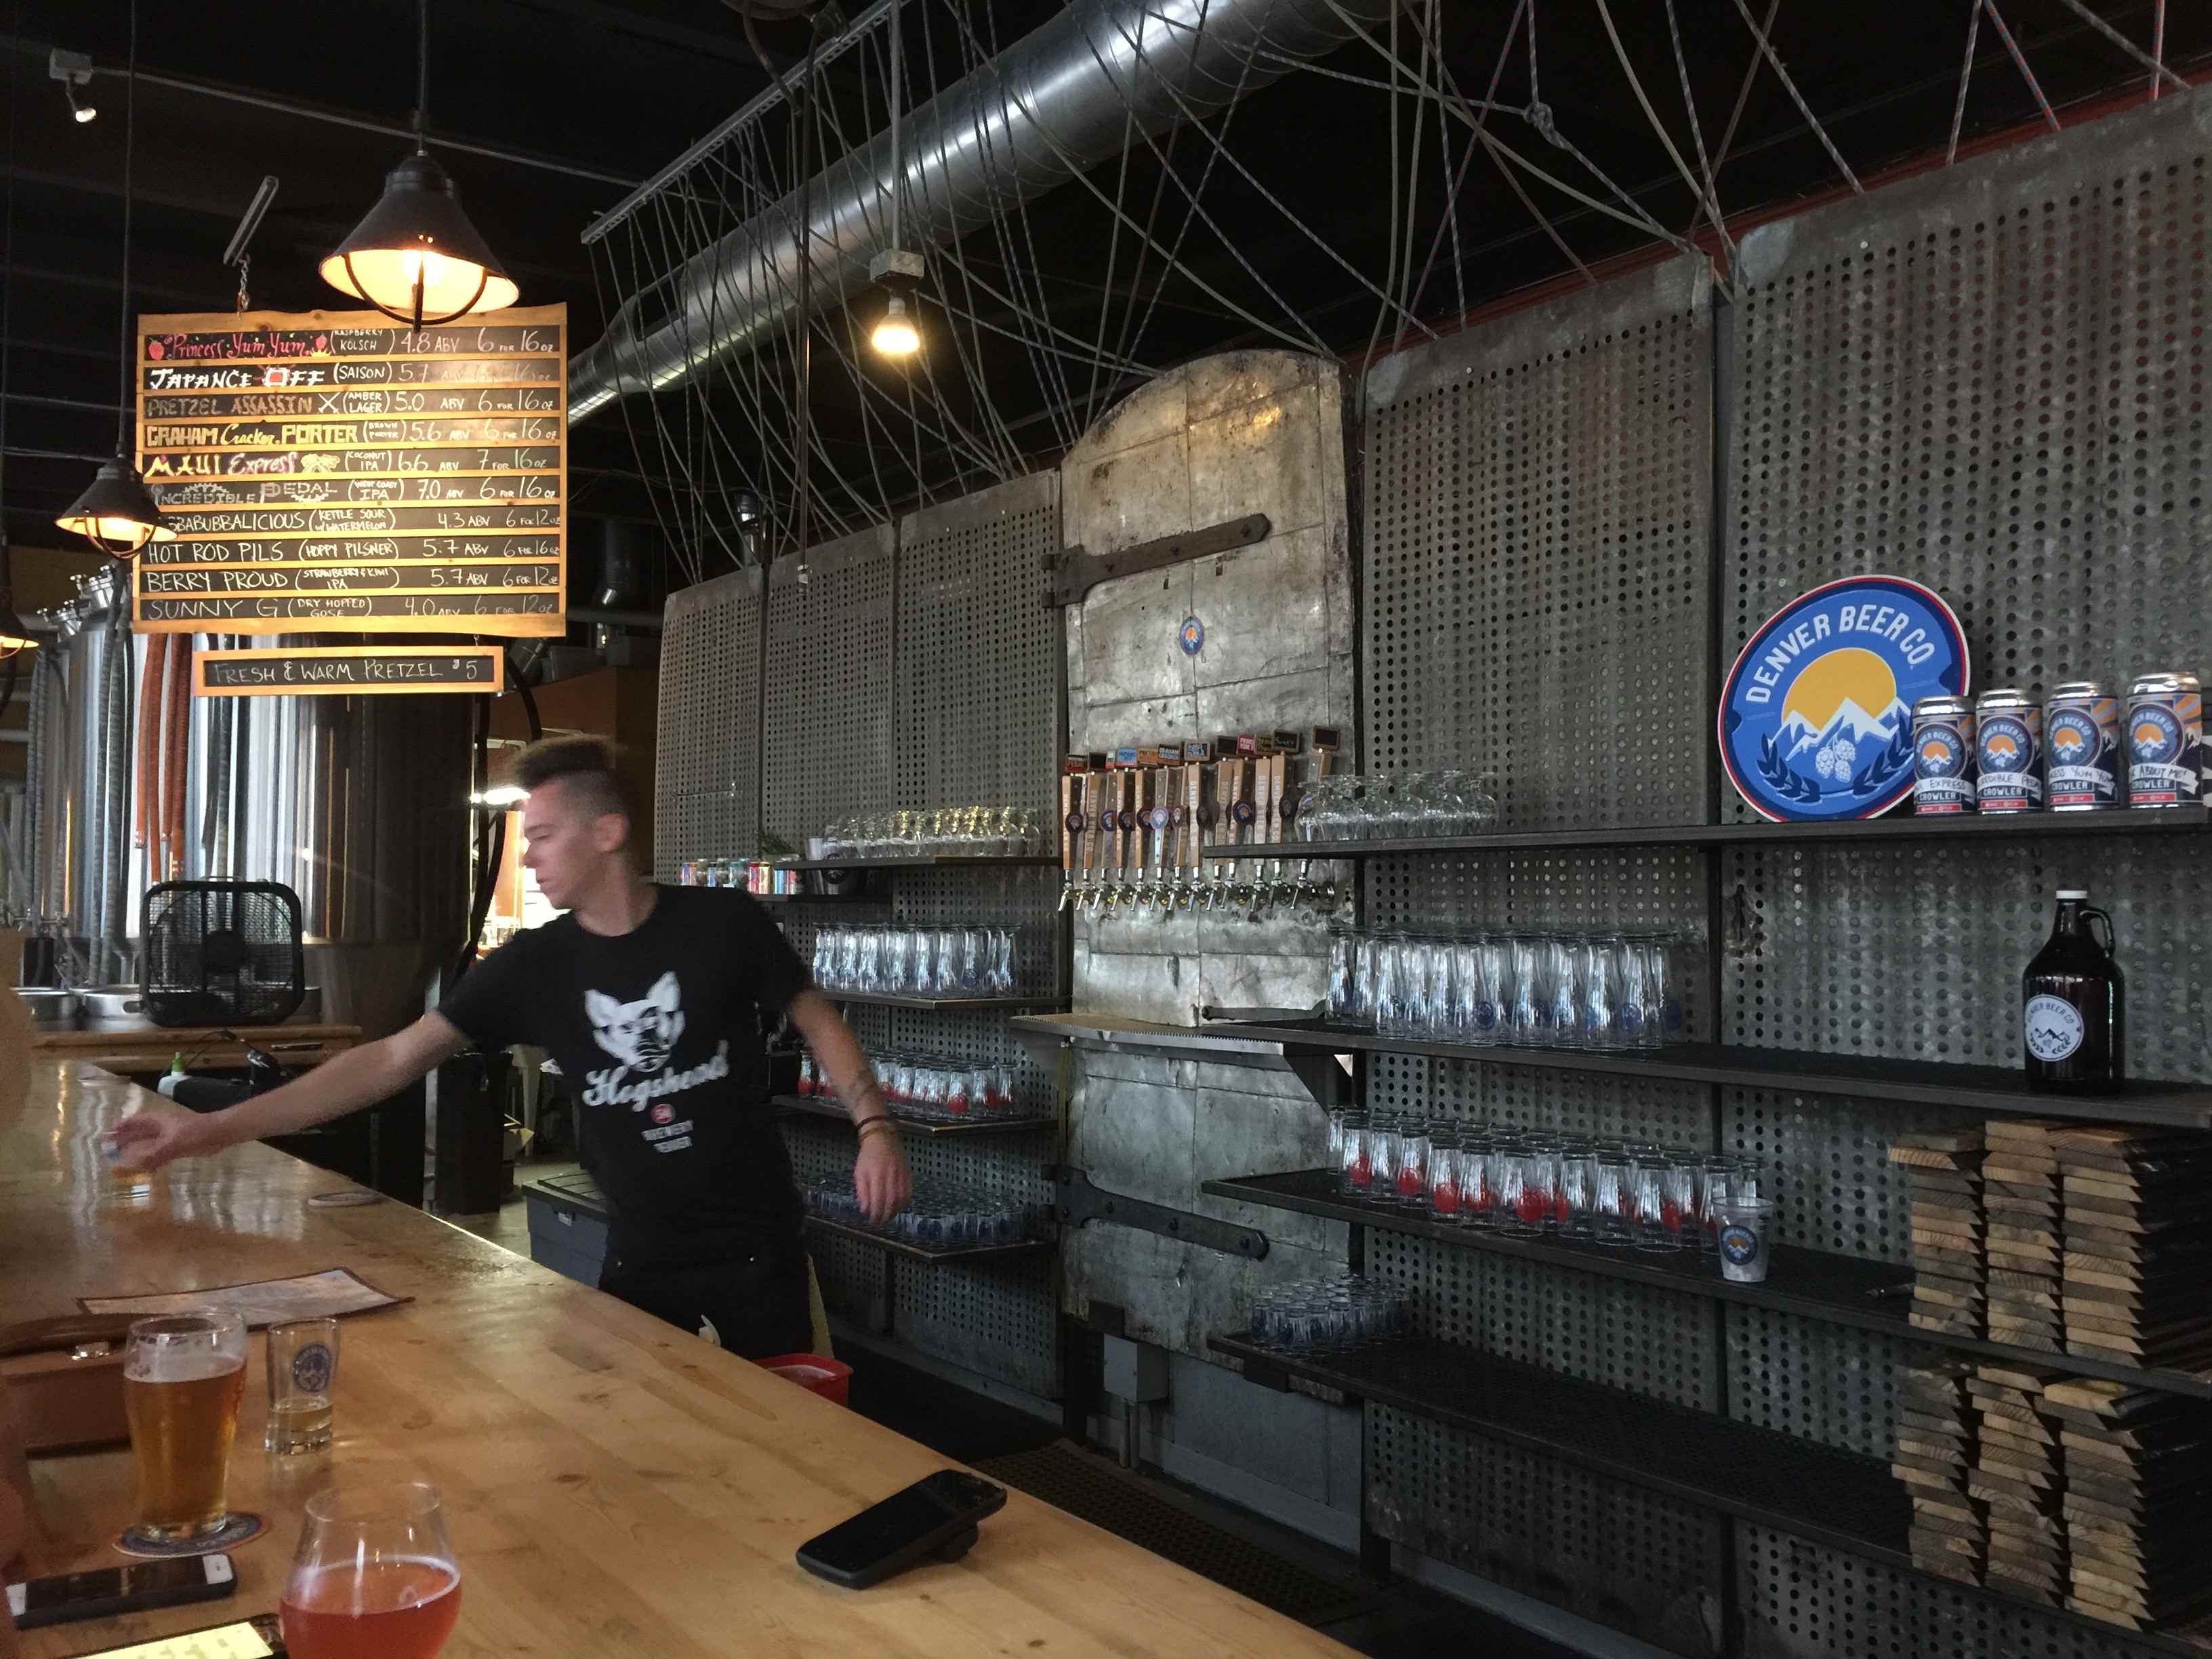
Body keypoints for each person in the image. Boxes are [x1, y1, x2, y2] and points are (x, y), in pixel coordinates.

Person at [112, 737, 910, 1359]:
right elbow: (391, 1060)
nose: (527, 856)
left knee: (793, 1451)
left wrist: (874, 1129)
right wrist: (206, 1131)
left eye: (545, 836)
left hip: (760, 1254)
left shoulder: (723, 924)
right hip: (640, 1261)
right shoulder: (537, 964)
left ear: (608, 833)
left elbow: (818, 1020)